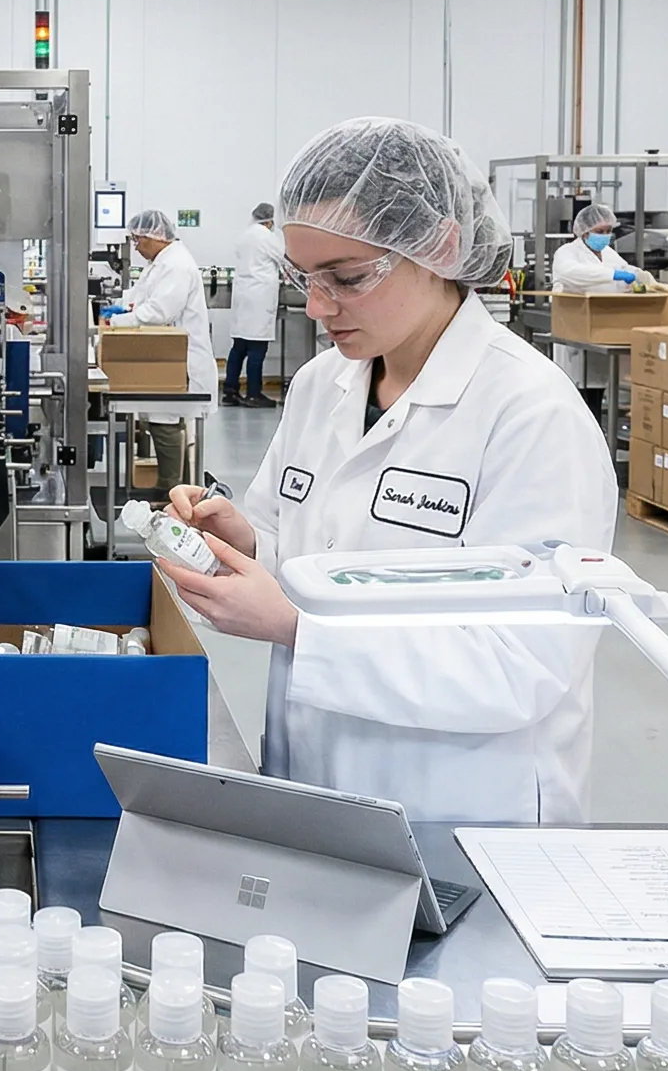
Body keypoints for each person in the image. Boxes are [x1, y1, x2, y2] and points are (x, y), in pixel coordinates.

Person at [153, 119, 619, 824]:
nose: (316, 306)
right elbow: (313, 557)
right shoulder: (319, 386)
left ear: (439, 247)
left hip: (461, 814)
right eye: (305, 278)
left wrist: (301, 634)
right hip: (316, 784)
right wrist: (249, 548)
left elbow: (521, 665)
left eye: (346, 278)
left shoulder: (530, 414)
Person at [112, 209, 216, 500]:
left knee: (164, 420)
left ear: (153, 236)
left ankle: (170, 490)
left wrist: (118, 321)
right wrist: (118, 307)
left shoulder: (176, 265)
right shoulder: (160, 262)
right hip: (167, 357)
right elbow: (139, 297)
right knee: (161, 420)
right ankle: (176, 486)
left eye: (137, 240)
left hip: (181, 362)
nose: (135, 246)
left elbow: (159, 312)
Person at [546, 202, 634, 386]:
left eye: (608, 231)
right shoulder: (567, 253)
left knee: (597, 386)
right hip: (574, 332)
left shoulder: (608, 253)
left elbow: (625, 269)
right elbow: (574, 273)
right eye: (600, 231)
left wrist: (639, 277)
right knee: (576, 387)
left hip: (601, 330)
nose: (605, 236)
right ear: (585, 232)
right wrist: (613, 275)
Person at [224, 204, 286, 407]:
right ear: (268, 221)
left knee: (239, 347)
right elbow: (285, 260)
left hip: (243, 295)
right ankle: (253, 394)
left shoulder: (244, 236)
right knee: (257, 348)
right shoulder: (266, 237)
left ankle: (230, 391)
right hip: (259, 296)